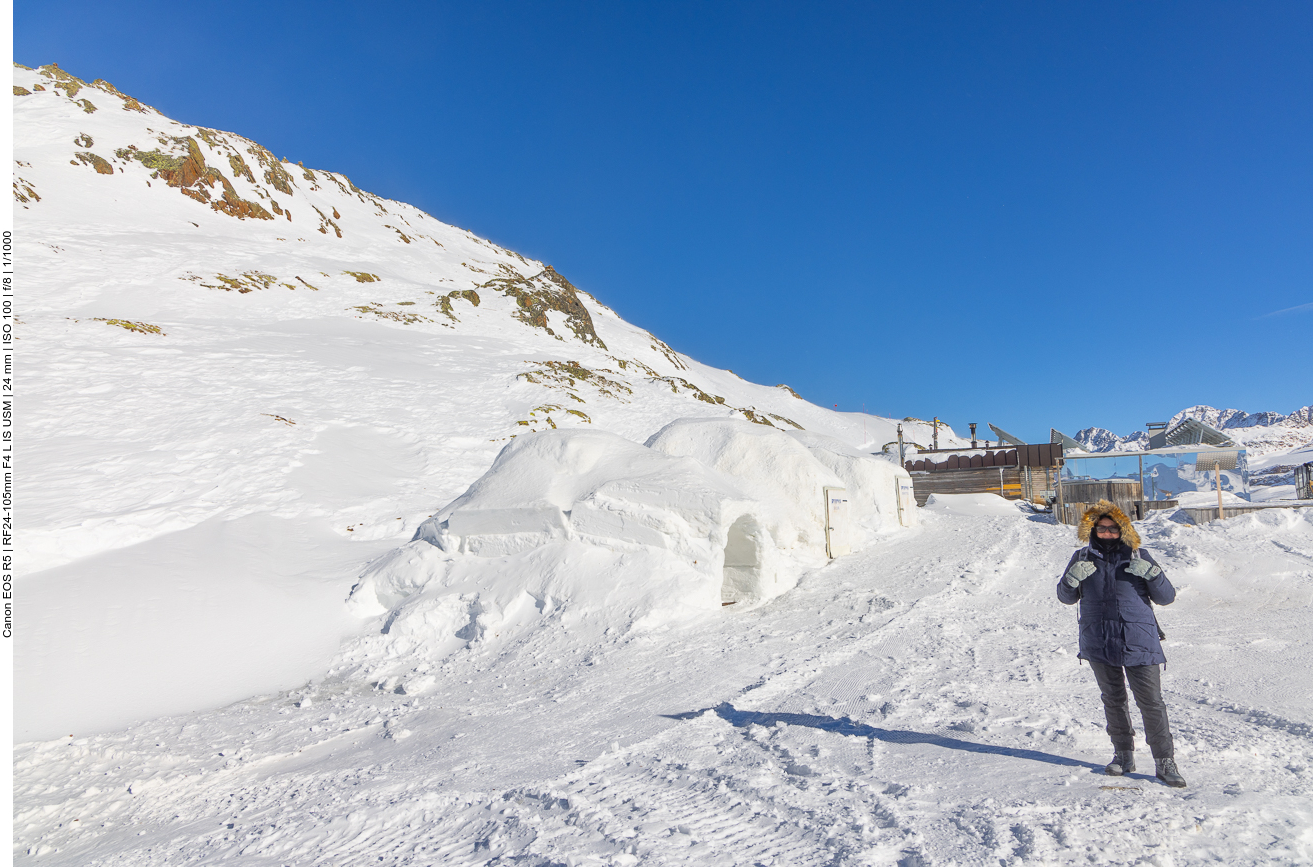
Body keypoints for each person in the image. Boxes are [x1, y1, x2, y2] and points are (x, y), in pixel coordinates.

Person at [1056, 499, 1187, 787]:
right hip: (1099, 639)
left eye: (1113, 529)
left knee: (1151, 703)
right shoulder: (1081, 558)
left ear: (1123, 529)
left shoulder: (1139, 555)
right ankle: (1123, 755)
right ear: (1092, 530)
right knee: (1113, 700)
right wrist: (1070, 580)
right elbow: (1065, 597)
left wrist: (1153, 574)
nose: (1106, 533)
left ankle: (1165, 761)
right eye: (1101, 529)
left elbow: (1166, 597)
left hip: (1138, 639)